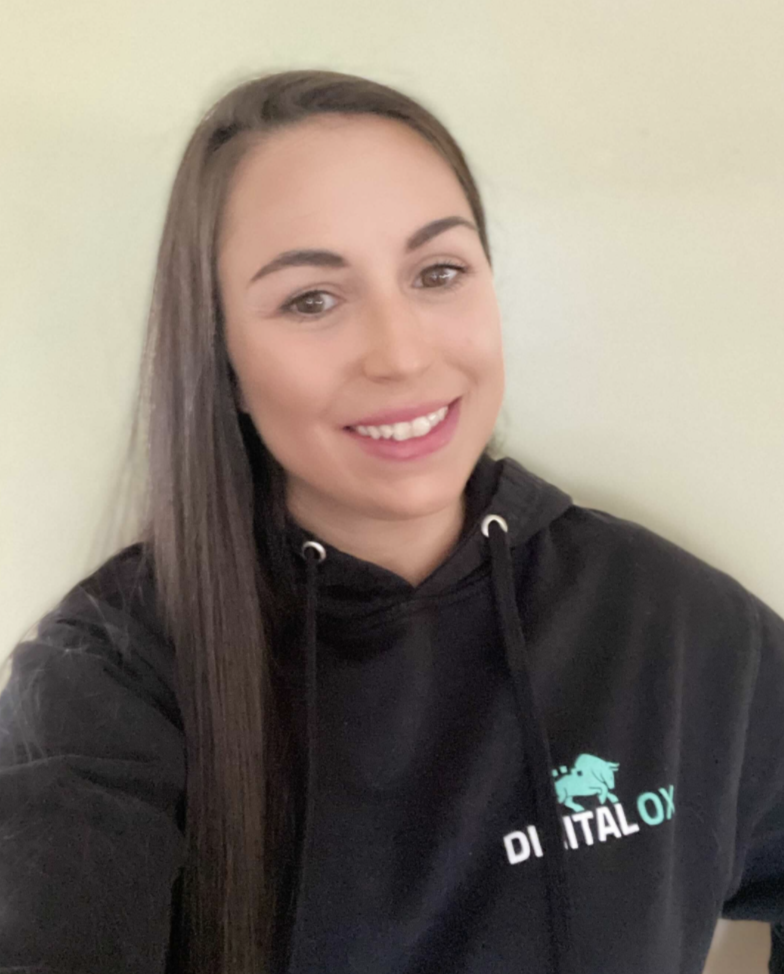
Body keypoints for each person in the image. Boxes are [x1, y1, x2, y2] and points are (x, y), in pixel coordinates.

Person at [0, 68, 782, 974]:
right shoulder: (108, 679)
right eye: (312, 300)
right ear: (221, 359)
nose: (402, 354)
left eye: (438, 272)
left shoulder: (669, 625)